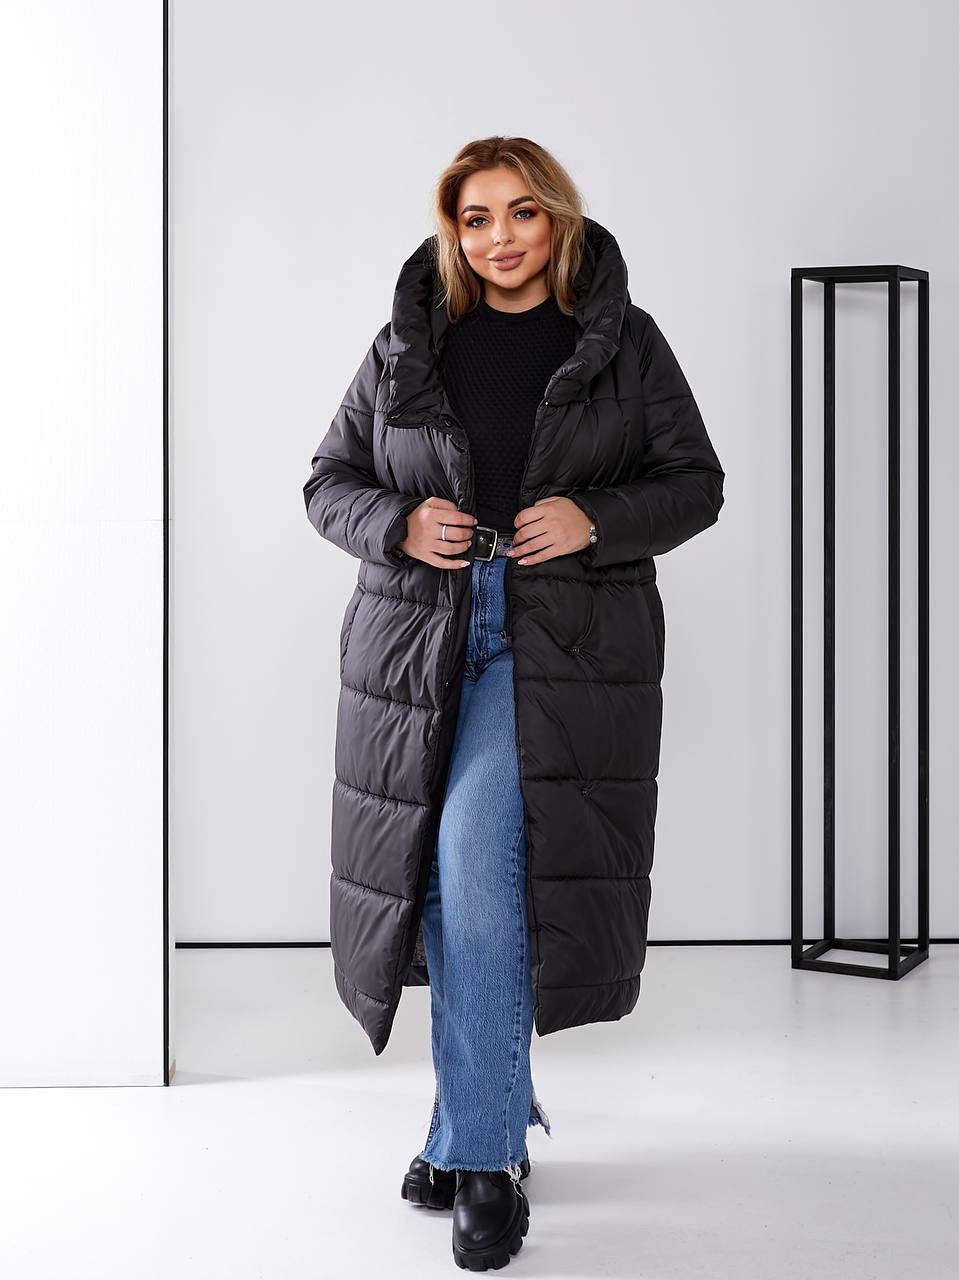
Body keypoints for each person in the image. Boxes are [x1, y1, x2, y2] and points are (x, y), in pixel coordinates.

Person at [302, 135, 725, 1272]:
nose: (500, 238)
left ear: (557, 219)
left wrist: (595, 518)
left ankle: (481, 1157)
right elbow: (327, 482)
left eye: (522, 212)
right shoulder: (408, 344)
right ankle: (472, 1116)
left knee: (469, 858)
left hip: (552, 640)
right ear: (455, 229)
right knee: (444, 884)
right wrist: (397, 522)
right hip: (415, 641)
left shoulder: (621, 342)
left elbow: (695, 482)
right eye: (476, 217)